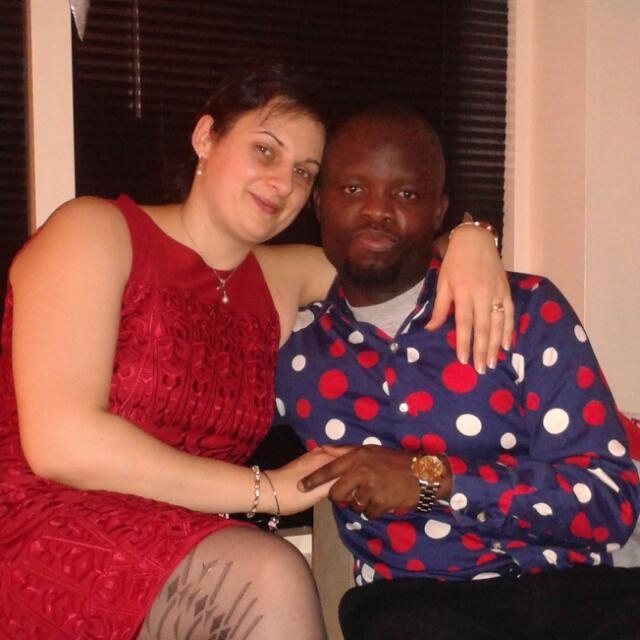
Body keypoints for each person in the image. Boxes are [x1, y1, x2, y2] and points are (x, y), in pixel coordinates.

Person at [0, 63, 512, 640]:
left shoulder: (282, 277)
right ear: (206, 137)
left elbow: (399, 260)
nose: (282, 183)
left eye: (304, 171)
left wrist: (473, 235)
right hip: (42, 522)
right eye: (265, 151)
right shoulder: (95, 231)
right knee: (271, 575)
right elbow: (62, 444)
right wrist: (267, 490)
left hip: (183, 544)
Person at [274, 103, 640, 640]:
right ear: (320, 202)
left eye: (406, 195)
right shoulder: (294, 352)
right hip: (417, 605)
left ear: (439, 211)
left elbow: (611, 502)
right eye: (353, 189)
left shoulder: (525, 309)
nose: (377, 211)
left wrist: (433, 479)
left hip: (573, 590)